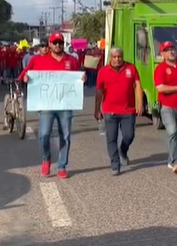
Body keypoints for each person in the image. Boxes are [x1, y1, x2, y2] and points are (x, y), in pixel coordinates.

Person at [20, 32, 85, 179]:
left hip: (65, 104)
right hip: (47, 104)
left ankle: (62, 165)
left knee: (66, 135)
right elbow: (24, 74)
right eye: (54, 42)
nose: (57, 45)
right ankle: (46, 159)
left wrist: (82, 78)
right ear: (49, 44)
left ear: (63, 44)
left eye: (60, 43)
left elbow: (77, 78)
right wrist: (25, 77)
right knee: (44, 134)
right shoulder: (37, 60)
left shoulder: (72, 60)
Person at [94, 47, 142, 176]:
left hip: (128, 110)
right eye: (114, 57)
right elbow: (99, 91)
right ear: (110, 57)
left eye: (119, 56)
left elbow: (137, 85)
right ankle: (115, 164)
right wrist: (97, 108)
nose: (117, 59)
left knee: (129, 135)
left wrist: (140, 103)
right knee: (111, 138)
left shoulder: (131, 68)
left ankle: (123, 150)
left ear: (122, 56)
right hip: (110, 111)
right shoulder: (103, 71)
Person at [154, 41, 177, 175]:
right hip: (167, 107)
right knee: (173, 131)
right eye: (167, 50)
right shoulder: (160, 69)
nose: (171, 52)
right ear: (162, 54)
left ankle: (172, 158)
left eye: (172, 49)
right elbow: (161, 88)